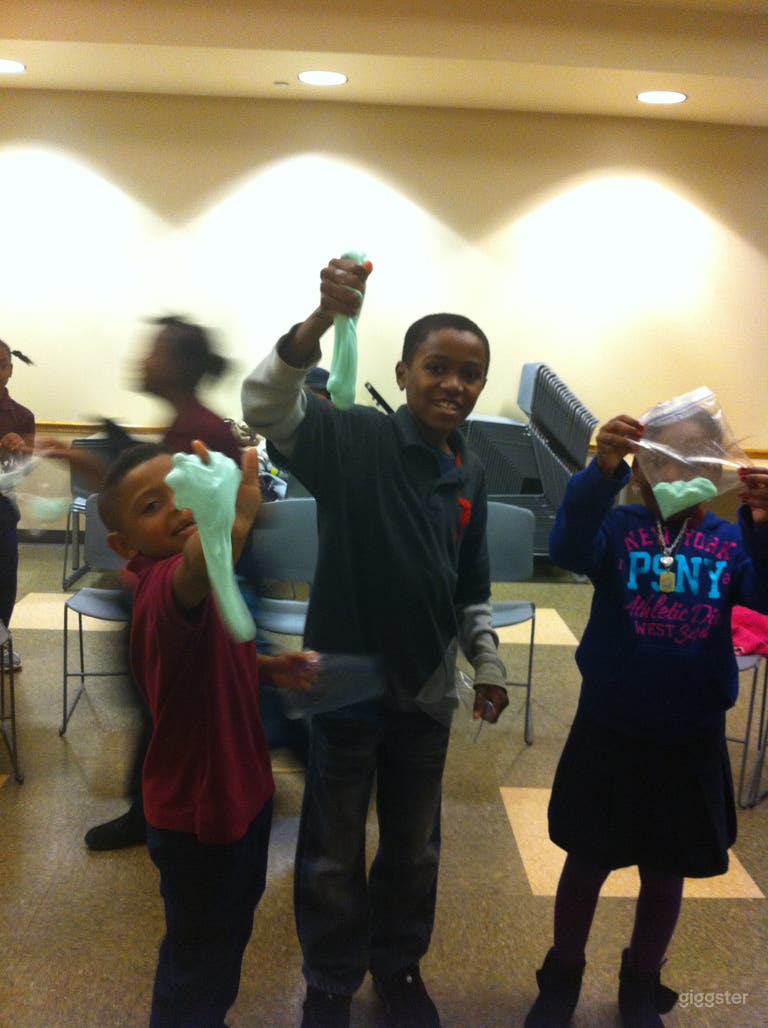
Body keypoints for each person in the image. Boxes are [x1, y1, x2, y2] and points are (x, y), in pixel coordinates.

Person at [241, 256, 509, 1028]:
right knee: (329, 845)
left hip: (425, 692)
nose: (454, 384)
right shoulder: (354, 439)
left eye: (471, 373)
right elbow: (264, 402)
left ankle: (399, 968)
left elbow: (471, 586)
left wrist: (485, 664)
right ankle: (329, 979)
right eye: (438, 368)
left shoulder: (470, 470)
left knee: (415, 847)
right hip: (345, 685)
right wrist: (322, 319)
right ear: (403, 370)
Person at [524, 409, 768, 1028]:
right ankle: (562, 976)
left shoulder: (731, 539)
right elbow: (568, 547)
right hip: (611, 728)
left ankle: (641, 982)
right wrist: (599, 472)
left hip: (689, 737)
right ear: (645, 467)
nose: (681, 469)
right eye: (666, 458)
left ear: (715, 470)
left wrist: (764, 529)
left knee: (668, 871)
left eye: (698, 458)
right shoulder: (618, 527)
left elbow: (763, 595)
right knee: (586, 861)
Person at [97, 439, 316, 1027]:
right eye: (150, 507)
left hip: (240, 796)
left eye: (181, 491)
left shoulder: (205, 585)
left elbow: (211, 654)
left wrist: (268, 667)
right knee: (197, 959)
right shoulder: (165, 586)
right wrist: (233, 521)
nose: (175, 508)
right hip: (199, 816)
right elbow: (196, 571)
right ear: (124, 545)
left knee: (222, 940)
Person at [71, 315, 244, 851]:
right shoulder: (182, 426)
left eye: (155, 351)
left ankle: (156, 811)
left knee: (181, 704)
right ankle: (150, 808)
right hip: (174, 591)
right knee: (166, 702)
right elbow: (139, 503)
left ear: (178, 365)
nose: (143, 360)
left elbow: (210, 525)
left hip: (204, 593)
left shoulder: (203, 432)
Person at [0, 338, 35, 671]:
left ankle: (1, 644)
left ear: (10, 370)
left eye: (0, 364)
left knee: (4, 579)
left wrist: (18, 453)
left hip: (1, 511)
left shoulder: (22, 417)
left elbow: (22, 474)